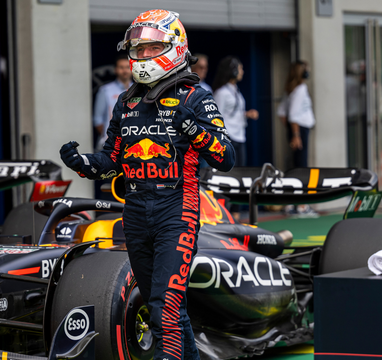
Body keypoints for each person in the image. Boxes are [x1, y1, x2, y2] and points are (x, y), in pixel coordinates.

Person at [59, 9, 235, 360]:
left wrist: (193, 130)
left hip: (178, 208)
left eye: (149, 49)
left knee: (164, 304)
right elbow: (113, 160)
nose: (140, 58)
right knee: (166, 306)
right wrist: (84, 164)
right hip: (136, 212)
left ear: (173, 47)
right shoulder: (126, 101)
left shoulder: (195, 98)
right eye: (136, 50)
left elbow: (225, 157)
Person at [278, 61, 318, 217]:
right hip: (300, 131)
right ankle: (301, 205)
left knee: (295, 167)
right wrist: (295, 134)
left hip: (297, 130)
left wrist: (290, 130)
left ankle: (291, 203)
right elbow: (292, 115)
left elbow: (282, 113)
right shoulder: (300, 89)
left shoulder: (292, 90)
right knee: (301, 168)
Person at [212, 56, 259, 167]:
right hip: (229, 138)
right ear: (233, 71)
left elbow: (233, 112)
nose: (242, 72)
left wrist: (247, 114)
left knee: (240, 170)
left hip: (239, 135)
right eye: (240, 69)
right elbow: (216, 117)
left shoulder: (235, 90)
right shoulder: (222, 92)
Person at [94, 54, 132, 151]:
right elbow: (98, 120)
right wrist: (110, 136)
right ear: (115, 69)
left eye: (128, 67)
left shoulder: (140, 90)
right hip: (110, 144)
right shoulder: (105, 90)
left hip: (132, 142)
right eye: (121, 67)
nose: (124, 71)